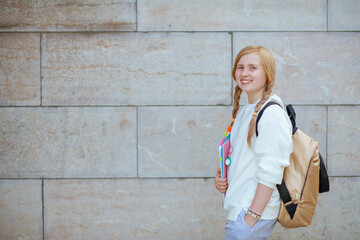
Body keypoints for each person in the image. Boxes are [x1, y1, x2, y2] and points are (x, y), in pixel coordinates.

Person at [215, 46, 293, 240]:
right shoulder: (246, 111)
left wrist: (251, 217)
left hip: (249, 216)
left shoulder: (272, 114)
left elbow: (272, 170)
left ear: (267, 73)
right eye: (240, 67)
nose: (244, 73)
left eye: (252, 68)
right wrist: (224, 176)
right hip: (240, 211)